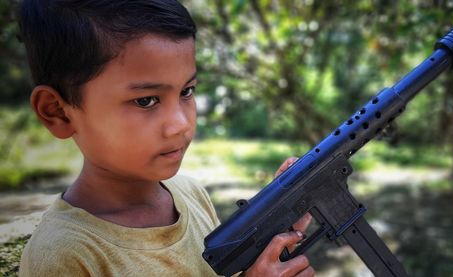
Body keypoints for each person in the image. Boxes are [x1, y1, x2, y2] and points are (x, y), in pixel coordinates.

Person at [17, 0, 314, 276]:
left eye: (186, 92)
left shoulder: (190, 194)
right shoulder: (62, 255)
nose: (181, 124)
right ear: (58, 113)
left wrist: (270, 237)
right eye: (146, 101)